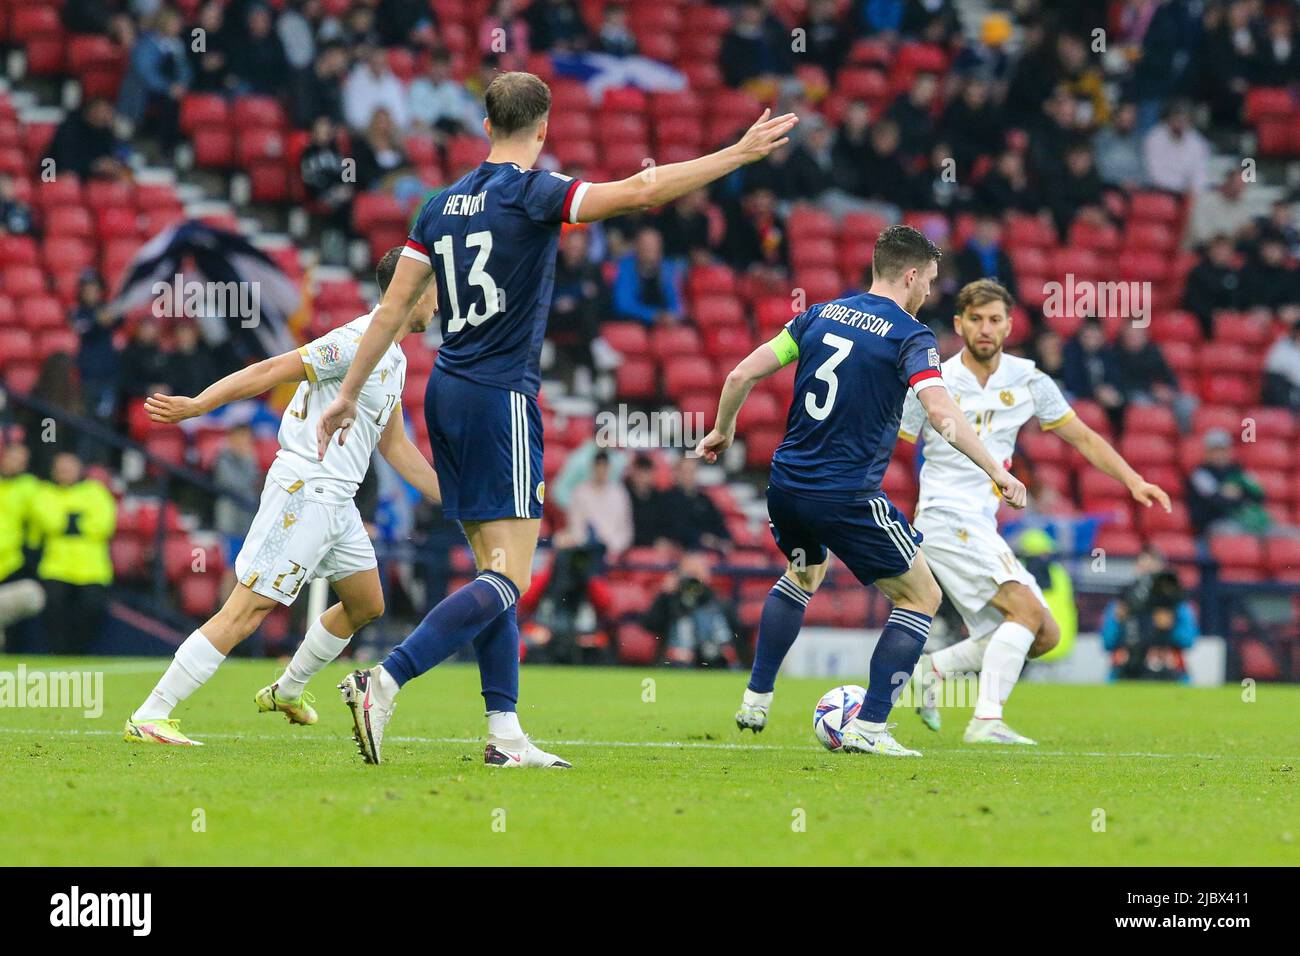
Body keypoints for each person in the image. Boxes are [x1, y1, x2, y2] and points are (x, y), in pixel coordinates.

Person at [316, 71, 797, 770]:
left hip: (446, 389)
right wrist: (737, 154)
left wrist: (346, 393)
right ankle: (384, 680)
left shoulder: (439, 205)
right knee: (510, 577)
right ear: (543, 128)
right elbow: (643, 190)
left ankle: (505, 732)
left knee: (491, 569)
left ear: (486, 126)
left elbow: (390, 313)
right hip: (500, 395)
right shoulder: (537, 190)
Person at [697, 225, 1029, 757]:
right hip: (845, 494)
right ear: (912, 274)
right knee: (922, 596)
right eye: (930, 282)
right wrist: (998, 470)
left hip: (786, 485)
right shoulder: (911, 336)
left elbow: (739, 375)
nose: (929, 294)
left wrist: (723, 429)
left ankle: (756, 697)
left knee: (803, 572)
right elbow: (942, 414)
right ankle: (871, 726)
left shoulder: (818, 314)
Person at [123, 249, 442, 747]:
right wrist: (199, 405)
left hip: (339, 500)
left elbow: (395, 445)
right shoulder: (355, 341)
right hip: (305, 489)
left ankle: (287, 690)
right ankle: (151, 713)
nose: (440, 305)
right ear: (414, 290)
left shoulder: (394, 359)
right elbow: (271, 370)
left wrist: (456, 498)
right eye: (435, 292)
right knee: (247, 610)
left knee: (366, 603)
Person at [899, 279, 1170, 744]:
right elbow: (891, 444)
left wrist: (1133, 479)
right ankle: (985, 721)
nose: (986, 329)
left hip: (980, 522)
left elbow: (1082, 436)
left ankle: (931, 670)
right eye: (977, 319)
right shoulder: (932, 380)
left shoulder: (1028, 379)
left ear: (1009, 325)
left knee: (1043, 634)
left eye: (995, 319)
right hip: (944, 515)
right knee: (1025, 610)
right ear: (960, 323)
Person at [29, 452, 116, 655]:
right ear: (54, 472)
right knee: (54, 611)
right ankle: (59, 654)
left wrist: (65, 522)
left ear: (80, 469)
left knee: (91, 609)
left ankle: (79, 653)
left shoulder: (95, 491)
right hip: (55, 566)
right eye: (60, 469)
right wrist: (79, 521)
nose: (65, 473)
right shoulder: (45, 492)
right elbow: (48, 521)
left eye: (69, 468)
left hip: (92, 568)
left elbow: (103, 524)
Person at [1101, 548, 1197, 681]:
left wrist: (1171, 627)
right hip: (1128, 667)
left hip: (1167, 667)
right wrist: (1118, 621)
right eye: (1143, 568)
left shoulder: (1176, 604)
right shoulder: (1122, 602)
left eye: (1151, 569)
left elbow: (1189, 640)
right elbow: (1107, 642)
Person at [641, 553, 744, 668]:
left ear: (707, 575)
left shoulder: (720, 603)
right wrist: (664, 595)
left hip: (714, 661)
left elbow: (737, 638)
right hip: (676, 662)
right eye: (690, 573)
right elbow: (650, 625)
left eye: (697, 573)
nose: (693, 581)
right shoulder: (670, 601)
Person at [1186, 429, 1268, 537]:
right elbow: (1216, 501)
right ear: (1206, 452)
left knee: (1283, 535)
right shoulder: (1200, 474)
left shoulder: (1239, 471)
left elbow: (1259, 495)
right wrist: (1239, 495)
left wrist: (1233, 495)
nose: (1220, 454)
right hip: (1215, 523)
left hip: (1243, 519)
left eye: (1223, 450)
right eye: (1215, 450)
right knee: (1237, 536)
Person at [566, 449, 632, 559]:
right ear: (593, 467)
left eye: (604, 467)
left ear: (609, 468)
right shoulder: (581, 492)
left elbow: (625, 530)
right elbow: (576, 528)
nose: (601, 470)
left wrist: (613, 548)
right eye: (598, 466)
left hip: (614, 552)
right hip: (586, 551)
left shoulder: (619, 493)